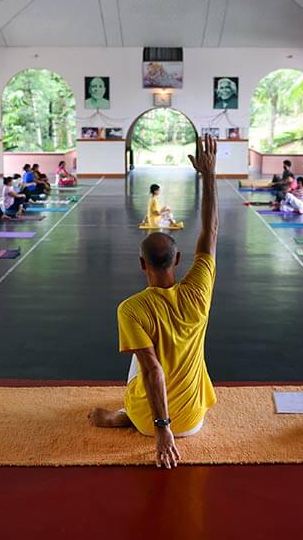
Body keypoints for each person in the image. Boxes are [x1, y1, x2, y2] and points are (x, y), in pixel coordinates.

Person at [89, 134, 220, 469]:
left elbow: (153, 370)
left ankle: (127, 416)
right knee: (165, 352)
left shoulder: (131, 308)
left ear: (141, 264)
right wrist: (209, 174)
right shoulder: (199, 289)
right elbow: (211, 231)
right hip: (192, 422)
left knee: (144, 358)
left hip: (152, 425)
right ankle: (138, 415)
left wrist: (161, 431)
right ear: (177, 262)